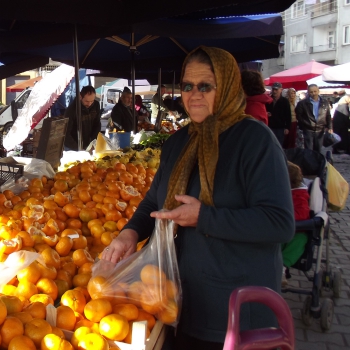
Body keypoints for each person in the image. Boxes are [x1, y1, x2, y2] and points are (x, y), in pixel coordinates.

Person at [100, 46, 294, 349]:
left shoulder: (255, 141)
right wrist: (129, 233)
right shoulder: (180, 142)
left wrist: (204, 217)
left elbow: (279, 223)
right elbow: (155, 201)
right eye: (188, 86)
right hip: (178, 304)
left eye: (206, 86)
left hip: (235, 314)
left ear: (228, 86)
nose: (194, 94)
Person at [281, 161, 310, 286]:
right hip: (281, 229)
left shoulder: (300, 195)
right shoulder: (277, 191)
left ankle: (282, 267)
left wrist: (285, 217)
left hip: (297, 230)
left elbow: (302, 214)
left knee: (299, 241)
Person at [296, 84, 332, 152]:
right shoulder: (302, 103)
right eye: (311, 92)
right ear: (308, 92)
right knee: (309, 149)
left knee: (318, 149)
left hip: (320, 129)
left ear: (318, 91)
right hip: (308, 129)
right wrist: (305, 124)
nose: (313, 93)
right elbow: (299, 116)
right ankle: (309, 162)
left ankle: (317, 162)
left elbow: (328, 115)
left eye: (315, 91)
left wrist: (330, 127)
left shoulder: (324, 102)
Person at [63, 85, 100, 151]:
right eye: (87, 101)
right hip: (72, 148)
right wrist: (79, 148)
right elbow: (66, 134)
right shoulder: (71, 110)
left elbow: (97, 125)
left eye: (92, 101)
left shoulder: (96, 105)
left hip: (89, 145)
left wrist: (93, 142)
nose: (89, 104)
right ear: (80, 97)